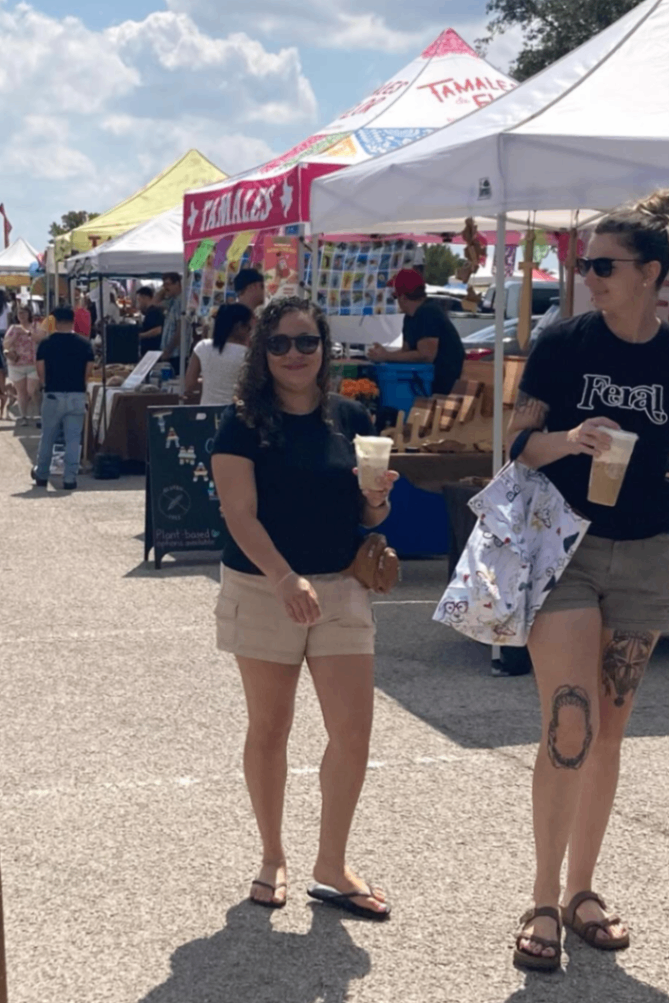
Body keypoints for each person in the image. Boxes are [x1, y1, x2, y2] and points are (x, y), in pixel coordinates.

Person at [507, 192, 669, 972]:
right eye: (584, 264)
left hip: (643, 552)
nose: (588, 276)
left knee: (609, 730)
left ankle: (581, 890)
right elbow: (515, 444)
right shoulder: (563, 341)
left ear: (650, 273)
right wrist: (567, 439)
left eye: (603, 265)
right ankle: (542, 897)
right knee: (568, 722)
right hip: (563, 547)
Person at [211, 297, 397, 914]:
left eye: (307, 342)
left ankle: (331, 862)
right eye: (280, 344)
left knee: (353, 732)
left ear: (325, 348)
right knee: (270, 728)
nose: (294, 354)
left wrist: (377, 499)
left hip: (341, 585)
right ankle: (272, 855)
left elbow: (369, 514)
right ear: (262, 353)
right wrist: (284, 578)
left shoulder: (351, 416)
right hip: (265, 587)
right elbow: (239, 514)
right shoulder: (241, 422)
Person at [367, 268, 464, 396]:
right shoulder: (410, 317)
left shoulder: (429, 312)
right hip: (424, 383)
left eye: (395, 296)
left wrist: (386, 356)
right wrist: (383, 354)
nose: (396, 301)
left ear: (403, 297)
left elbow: (426, 355)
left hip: (442, 387)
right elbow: (406, 352)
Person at [31, 306, 95, 490]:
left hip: (53, 393)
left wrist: (45, 384)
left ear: (55, 321)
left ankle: (42, 474)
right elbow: (89, 369)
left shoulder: (46, 343)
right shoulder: (84, 344)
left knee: (48, 437)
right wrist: (81, 384)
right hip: (76, 394)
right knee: (73, 439)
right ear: (73, 321)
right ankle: (70, 478)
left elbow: (40, 368)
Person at [185, 303, 253, 406]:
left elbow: (189, 384)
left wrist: (210, 382)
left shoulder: (203, 347)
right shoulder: (248, 354)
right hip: (235, 413)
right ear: (240, 327)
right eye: (249, 328)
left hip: (206, 413)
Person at [4, 305, 40, 425]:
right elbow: (6, 344)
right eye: (19, 313)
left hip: (33, 363)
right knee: (21, 392)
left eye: (24, 313)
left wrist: (26, 333)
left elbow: (40, 338)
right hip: (16, 364)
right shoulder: (13, 328)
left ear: (29, 314)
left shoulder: (36, 326)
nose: (22, 316)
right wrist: (15, 335)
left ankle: (40, 414)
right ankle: (23, 416)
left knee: (32, 390)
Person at [160, 272, 184, 365]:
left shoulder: (180, 301)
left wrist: (168, 350)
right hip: (171, 353)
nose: (165, 287)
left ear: (177, 284)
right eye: (164, 285)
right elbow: (153, 304)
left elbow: (180, 328)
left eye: (168, 284)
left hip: (175, 354)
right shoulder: (173, 300)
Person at [136, 285, 164, 354]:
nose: (138, 304)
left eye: (139, 300)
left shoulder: (153, 312)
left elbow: (158, 330)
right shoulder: (149, 312)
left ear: (145, 298)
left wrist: (140, 336)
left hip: (152, 351)